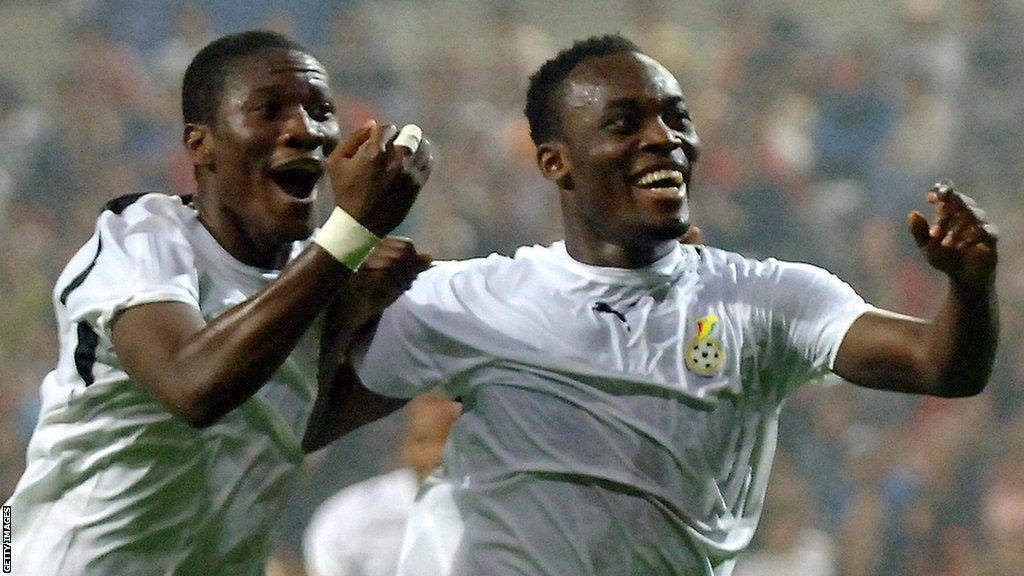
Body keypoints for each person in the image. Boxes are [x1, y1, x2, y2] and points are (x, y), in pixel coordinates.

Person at [347, 35, 999, 576]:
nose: (664, 139)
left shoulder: (766, 299)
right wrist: (345, 258)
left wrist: (969, 289)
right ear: (555, 161)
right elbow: (306, 407)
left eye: (676, 119)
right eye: (625, 125)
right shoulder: (470, 299)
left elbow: (944, 368)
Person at [4, 30, 433, 575]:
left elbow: (286, 426)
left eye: (320, 111)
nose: (304, 130)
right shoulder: (143, 236)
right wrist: (347, 239)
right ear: (200, 144)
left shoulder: (317, 274)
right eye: (269, 110)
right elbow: (193, 387)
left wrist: (419, 341)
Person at [302, 394, 460, 576]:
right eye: (422, 441)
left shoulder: (490, 512)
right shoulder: (350, 518)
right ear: (404, 444)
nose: (436, 454)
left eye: (449, 440)